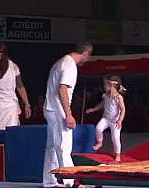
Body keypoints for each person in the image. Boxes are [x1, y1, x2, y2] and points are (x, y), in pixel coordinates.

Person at [43, 41, 93, 188]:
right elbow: (62, 89)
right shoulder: (70, 65)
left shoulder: (60, 62)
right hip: (59, 109)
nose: (87, 60)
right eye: (88, 57)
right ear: (85, 54)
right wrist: (68, 114)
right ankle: (71, 182)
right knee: (64, 146)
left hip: (50, 108)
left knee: (52, 146)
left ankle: (49, 181)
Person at [86, 75, 126, 162]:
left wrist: (120, 120)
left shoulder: (118, 97)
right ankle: (100, 142)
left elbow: (123, 110)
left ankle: (118, 154)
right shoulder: (105, 96)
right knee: (98, 128)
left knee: (115, 138)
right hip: (106, 119)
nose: (104, 86)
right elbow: (101, 105)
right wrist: (93, 109)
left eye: (105, 85)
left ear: (111, 86)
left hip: (115, 121)